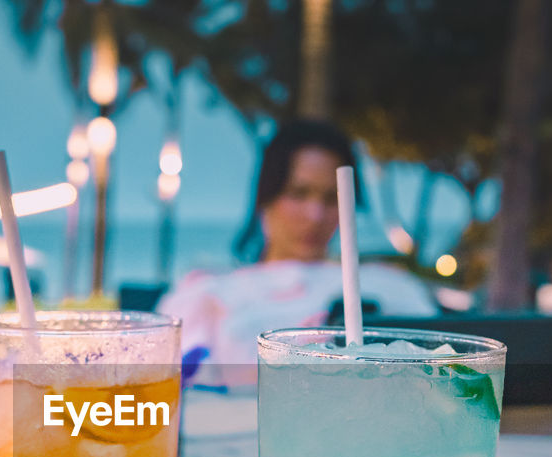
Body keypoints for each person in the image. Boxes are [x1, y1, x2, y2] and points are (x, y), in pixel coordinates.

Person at [158, 119, 437, 365]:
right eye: (298, 193)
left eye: (331, 199)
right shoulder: (208, 295)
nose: (315, 216)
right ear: (266, 197)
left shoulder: (389, 288)